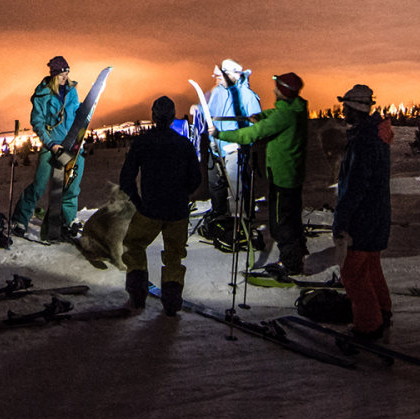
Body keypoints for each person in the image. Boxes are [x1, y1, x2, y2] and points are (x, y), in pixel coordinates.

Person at [213, 71, 309, 276]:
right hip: (291, 174)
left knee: (280, 222)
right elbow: (273, 115)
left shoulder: (285, 115)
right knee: (291, 216)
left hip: (283, 177)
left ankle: (290, 264)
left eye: (277, 87)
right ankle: (297, 252)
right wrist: (260, 116)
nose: (273, 89)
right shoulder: (296, 107)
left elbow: (250, 134)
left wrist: (220, 134)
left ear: (283, 92)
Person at [119, 96, 203, 315]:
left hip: (150, 210)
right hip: (178, 212)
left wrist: (138, 201)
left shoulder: (143, 142)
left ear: (153, 116)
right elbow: (196, 178)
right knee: (174, 255)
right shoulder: (184, 144)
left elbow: (126, 178)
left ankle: (137, 295)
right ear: (174, 116)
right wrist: (182, 195)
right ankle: (172, 302)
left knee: (135, 245)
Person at [333, 83, 392, 341]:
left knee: (353, 272)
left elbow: (355, 186)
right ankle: (381, 310)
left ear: (355, 108)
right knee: (370, 266)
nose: (342, 111)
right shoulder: (374, 135)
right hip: (377, 215)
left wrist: (342, 220)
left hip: (363, 217)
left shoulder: (364, 141)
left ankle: (368, 326)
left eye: (345, 106)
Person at [11, 55, 84, 242]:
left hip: (70, 144)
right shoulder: (42, 94)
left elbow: (75, 114)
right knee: (39, 184)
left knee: (71, 184)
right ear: (53, 75)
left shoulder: (72, 91)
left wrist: (81, 124)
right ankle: (20, 220)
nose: (65, 77)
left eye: (67, 73)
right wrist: (51, 144)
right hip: (51, 145)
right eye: (61, 74)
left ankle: (70, 220)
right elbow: (37, 122)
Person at [203, 58, 260, 219]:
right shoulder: (218, 92)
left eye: (222, 75)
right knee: (215, 182)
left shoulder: (247, 95)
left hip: (235, 149)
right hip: (216, 147)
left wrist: (241, 143)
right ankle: (219, 215)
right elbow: (211, 114)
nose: (218, 79)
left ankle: (241, 218)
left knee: (237, 186)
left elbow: (256, 125)